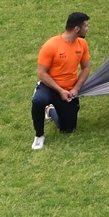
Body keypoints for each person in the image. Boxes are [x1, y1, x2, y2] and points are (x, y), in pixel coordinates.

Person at [31, 12, 91, 150]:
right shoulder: (51, 46)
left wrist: (75, 89)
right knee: (38, 101)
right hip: (50, 87)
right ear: (77, 29)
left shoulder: (82, 44)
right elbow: (41, 73)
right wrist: (60, 90)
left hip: (69, 89)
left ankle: (50, 110)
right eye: (85, 26)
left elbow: (86, 68)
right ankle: (39, 136)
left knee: (68, 129)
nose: (87, 29)